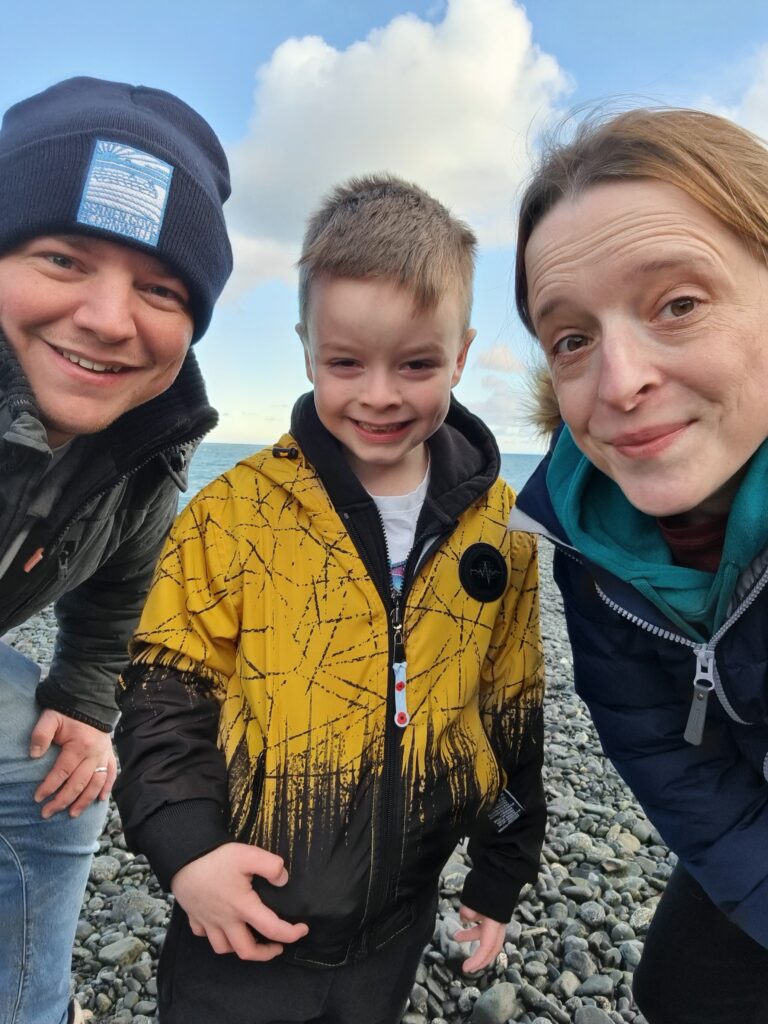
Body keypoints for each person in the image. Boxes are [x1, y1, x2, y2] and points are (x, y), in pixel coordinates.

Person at [113, 174, 546, 1024]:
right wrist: (187, 853)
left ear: (461, 355)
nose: (379, 394)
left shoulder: (502, 526)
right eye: (345, 362)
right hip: (240, 916)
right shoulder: (232, 513)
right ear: (307, 347)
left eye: (417, 364)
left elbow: (512, 703)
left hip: (396, 924)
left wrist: (501, 871)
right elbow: (162, 697)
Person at [511, 107, 768, 1024]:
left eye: (679, 303)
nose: (618, 382)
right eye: (572, 338)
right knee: (681, 990)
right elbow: (660, 743)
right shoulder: (591, 532)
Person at [0, 76, 232, 1024]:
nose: (106, 317)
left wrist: (88, 705)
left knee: (66, 778)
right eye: (61, 257)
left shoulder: (150, 432)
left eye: (158, 287)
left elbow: (120, 584)